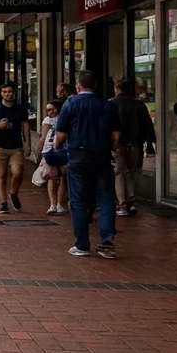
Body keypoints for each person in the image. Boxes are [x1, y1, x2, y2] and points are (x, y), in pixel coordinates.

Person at [54, 70, 122, 258]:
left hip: (78, 156)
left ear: (78, 85)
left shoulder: (71, 103)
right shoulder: (107, 105)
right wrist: (113, 149)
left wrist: (55, 150)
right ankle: (107, 241)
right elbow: (116, 136)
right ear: (95, 85)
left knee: (78, 200)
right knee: (107, 199)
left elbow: (61, 134)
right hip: (101, 156)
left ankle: (82, 244)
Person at [0, 82, 32, 214]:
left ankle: (13, 193)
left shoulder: (20, 108)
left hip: (16, 147)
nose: (8, 94)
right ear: (1, 94)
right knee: (2, 174)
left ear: (14, 93)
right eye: (5, 92)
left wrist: (27, 143)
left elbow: (25, 125)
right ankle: (3, 203)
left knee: (18, 172)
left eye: (10, 91)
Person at [110, 78, 155, 216]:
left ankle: (122, 204)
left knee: (119, 173)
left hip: (118, 144)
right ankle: (132, 202)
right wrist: (149, 143)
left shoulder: (111, 103)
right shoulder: (139, 105)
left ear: (117, 89)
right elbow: (148, 125)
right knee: (132, 172)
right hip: (135, 144)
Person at [38, 101, 66, 216]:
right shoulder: (47, 120)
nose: (50, 112)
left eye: (52, 109)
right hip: (50, 150)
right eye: (48, 110)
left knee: (62, 177)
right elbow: (43, 138)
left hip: (61, 150)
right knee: (52, 177)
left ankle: (59, 204)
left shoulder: (64, 118)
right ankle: (53, 204)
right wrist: (40, 151)